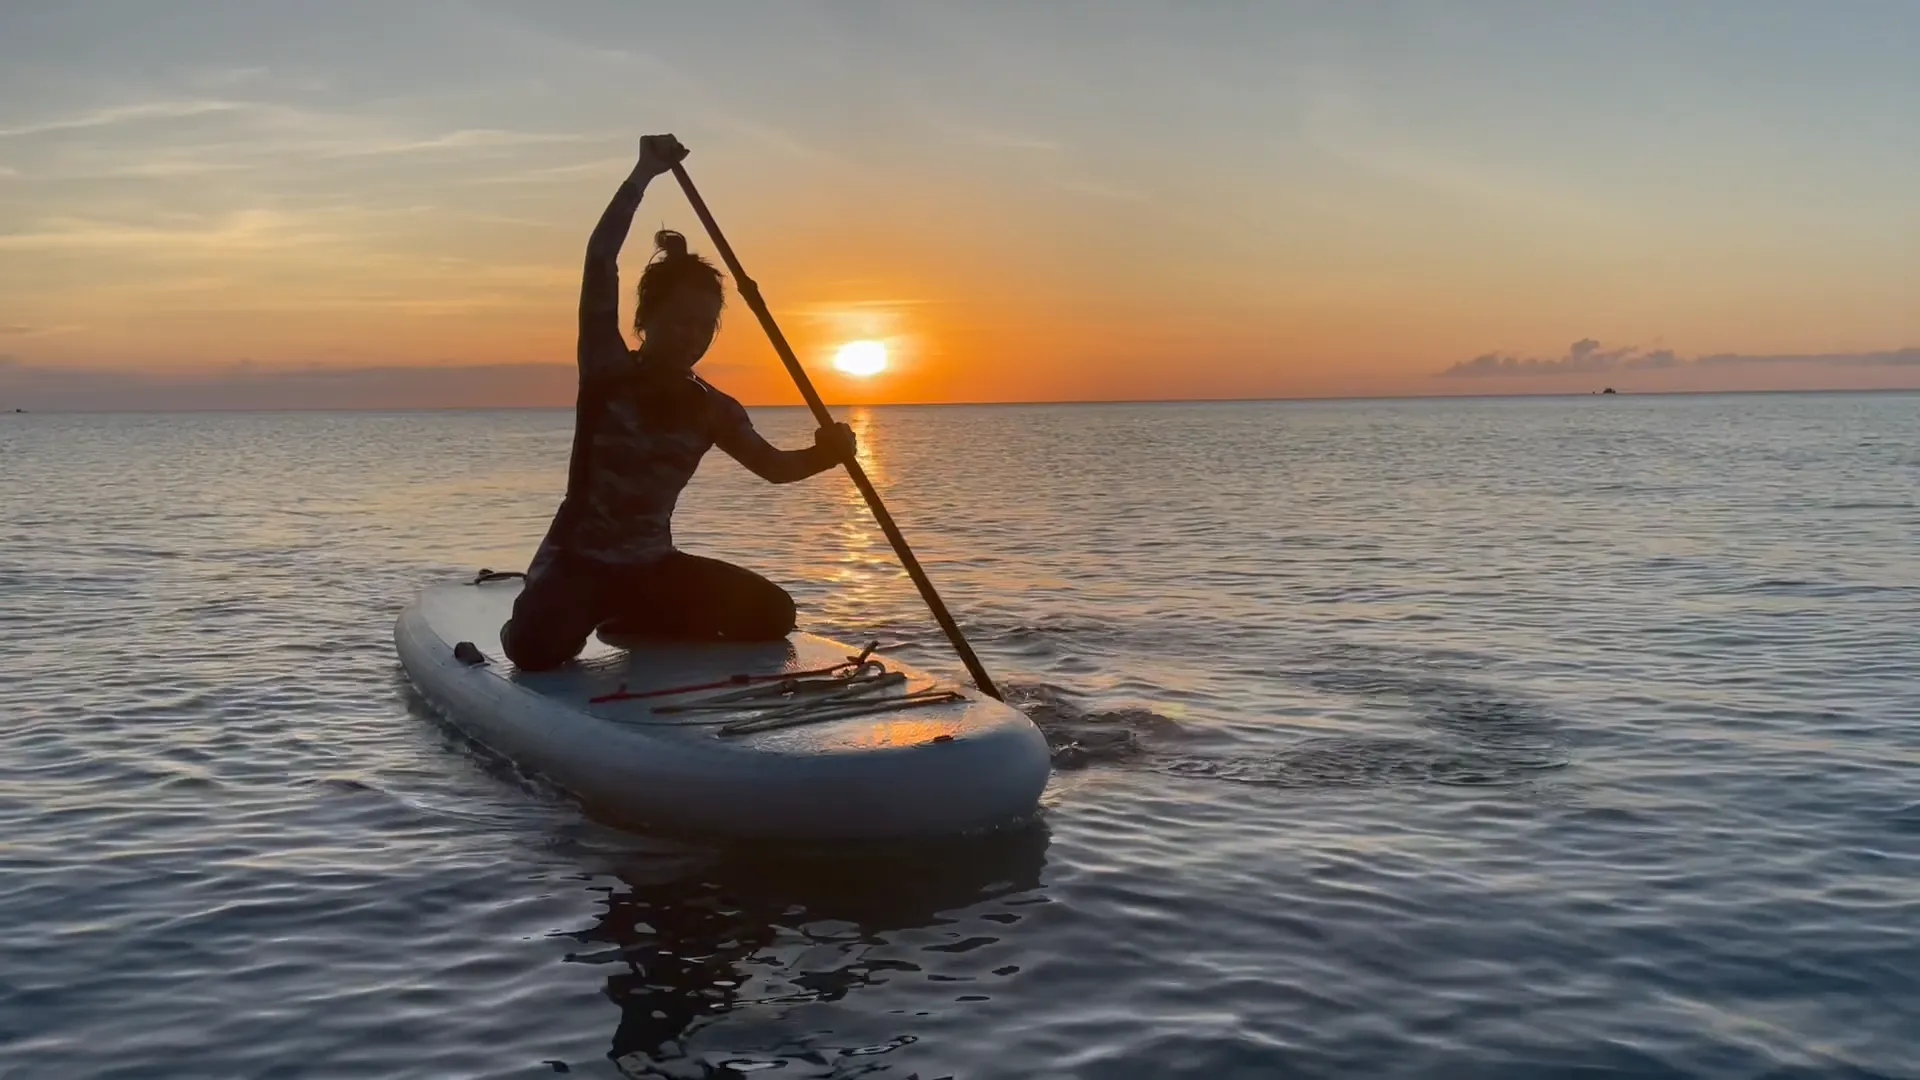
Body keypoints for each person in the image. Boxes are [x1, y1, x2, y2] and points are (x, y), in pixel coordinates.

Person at [501, 133, 856, 671]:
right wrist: (643, 173)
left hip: (652, 566)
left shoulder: (713, 407)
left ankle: (637, 618)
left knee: (772, 614)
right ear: (647, 319)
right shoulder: (606, 370)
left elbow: (774, 469)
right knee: (533, 651)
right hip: (578, 564)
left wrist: (827, 453)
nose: (693, 335)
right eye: (681, 320)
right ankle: (540, 610)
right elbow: (600, 258)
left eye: (705, 324)